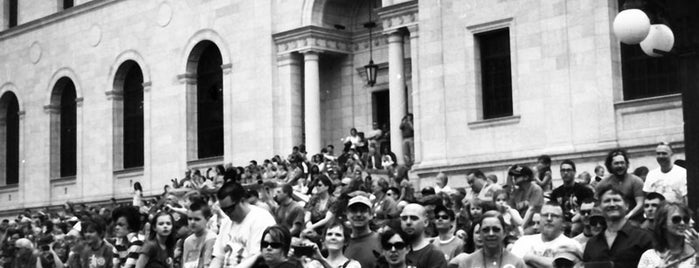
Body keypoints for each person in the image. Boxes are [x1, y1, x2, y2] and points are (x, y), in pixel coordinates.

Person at [582, 186, 653, 267]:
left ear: (626, 205)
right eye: (607, 201)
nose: (612, 204)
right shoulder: (592, 244)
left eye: (616, 200)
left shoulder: (644, 238)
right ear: (600, 207)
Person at [210, 182, 276, 268]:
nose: (227, 213)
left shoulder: (261, 219)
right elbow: (218, 256)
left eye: (229, 209)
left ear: (242, 200)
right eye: (223, 210)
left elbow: (255, 259)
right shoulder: (227, 221)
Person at [510, 202, 582, 268]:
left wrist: (529, 258)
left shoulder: (572, 245)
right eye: (545, 215)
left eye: (554, 216)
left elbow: (563, 266)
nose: (549, 219)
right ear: (540, 218)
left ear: (563, 222)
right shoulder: (523, 241)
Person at [453, 211, 526, 268]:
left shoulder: (517, 263)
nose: (491, 234)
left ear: (504, 233)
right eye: (486, 230)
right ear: (480, 234)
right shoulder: (467, 262)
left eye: (496, 229)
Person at [638, 202, 699, 267]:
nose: (682, 223)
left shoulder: (695, 252)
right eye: (676, 219)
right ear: (663, 223)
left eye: (686, 219)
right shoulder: (649, 256)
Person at [595, 149, 645, 223]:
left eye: (622, 163)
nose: (620, 166)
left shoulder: (636, 181)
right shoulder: (603, 184)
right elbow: (597, 204)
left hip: (632, 219)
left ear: (626, 164)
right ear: (610, 166)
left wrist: (627, 217)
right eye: (616, 163)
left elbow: (640, 204)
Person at [400, 203, 448, 268]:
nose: (408, 222)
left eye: (414, 218)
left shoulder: (433, 254)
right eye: (404, 218)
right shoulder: (393, 248)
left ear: (425, 222)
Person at [344, 196, 382, 268]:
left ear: (371, 214)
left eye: (363, 211)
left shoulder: (381, 240)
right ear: (347, 215)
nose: (358, 214)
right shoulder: (341, 243)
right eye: (354, 210)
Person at [182, 202, 216, 268]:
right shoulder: (188, 241)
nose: (192, 222)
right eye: (190, 219)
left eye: (197, 219)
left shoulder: (211, 238)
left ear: (207, 219)